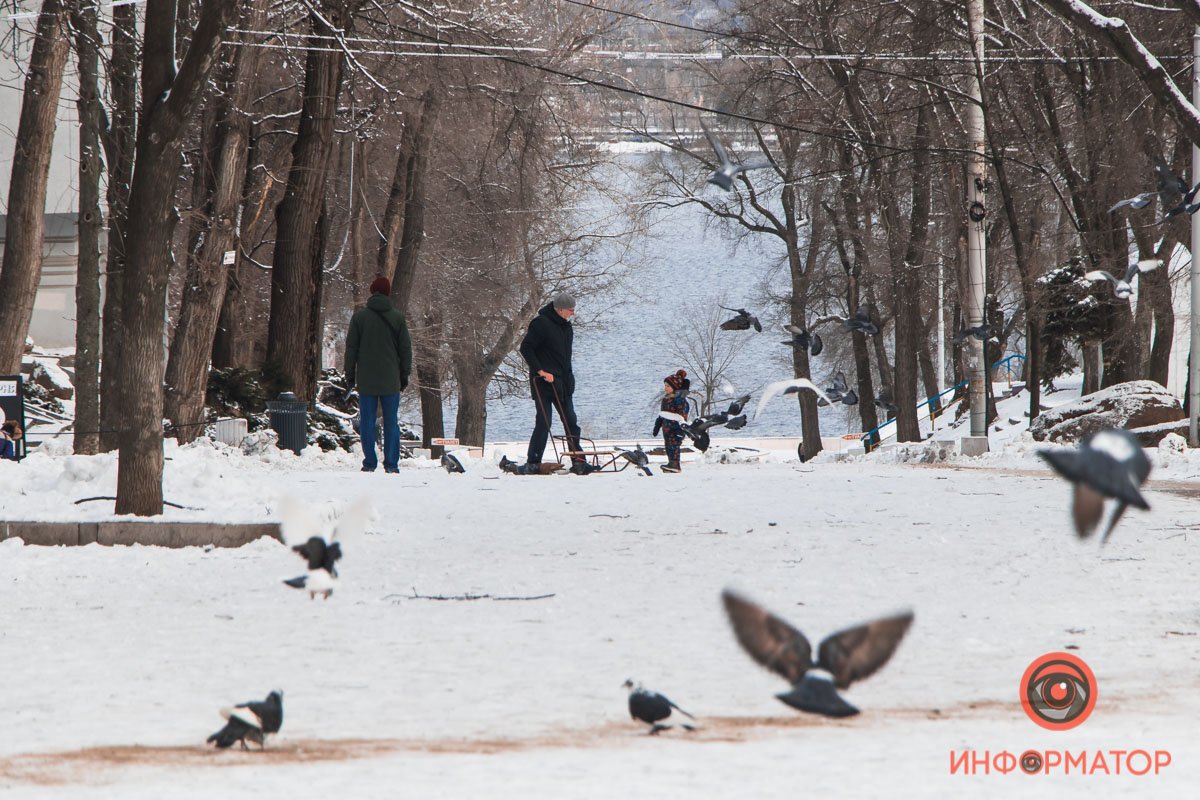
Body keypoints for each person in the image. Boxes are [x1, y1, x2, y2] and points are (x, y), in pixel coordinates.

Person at [517, 293, 593, 475]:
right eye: (570, 310)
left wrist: (569, 380)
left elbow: (565, 358)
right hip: (544, 383)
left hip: (564, 384)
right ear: (559, 309)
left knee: (571, 422)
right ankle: (533, 461)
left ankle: (579, 460)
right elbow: (526, 348)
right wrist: (541, 371)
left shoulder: (567, 327)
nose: (572, 314)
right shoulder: (541, 323)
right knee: (544, 422)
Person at [344, 275, 412, 473]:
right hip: (391, 379)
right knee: (391, 421)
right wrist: (404, 374)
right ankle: (391, 464)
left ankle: (370, 462)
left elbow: (351, 349)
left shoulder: (359, 318)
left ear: (372, 292)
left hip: (366, 379)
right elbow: (405, 350)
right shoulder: (398, 318)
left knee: (367, 421)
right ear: (388, 293)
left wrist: (350, 376)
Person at [653, 369, 690, 473]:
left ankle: (675, 464)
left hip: (676, 429)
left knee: (674, 446)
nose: (665, 388)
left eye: (668, 386)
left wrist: (682, 430)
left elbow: (682, 416)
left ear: (674, 387)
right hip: (666, 428)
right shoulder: (666, 400)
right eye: (665, 386)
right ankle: (670, 463)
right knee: (668, 446)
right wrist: (658, 425)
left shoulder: (680, 400)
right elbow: (663, 414)